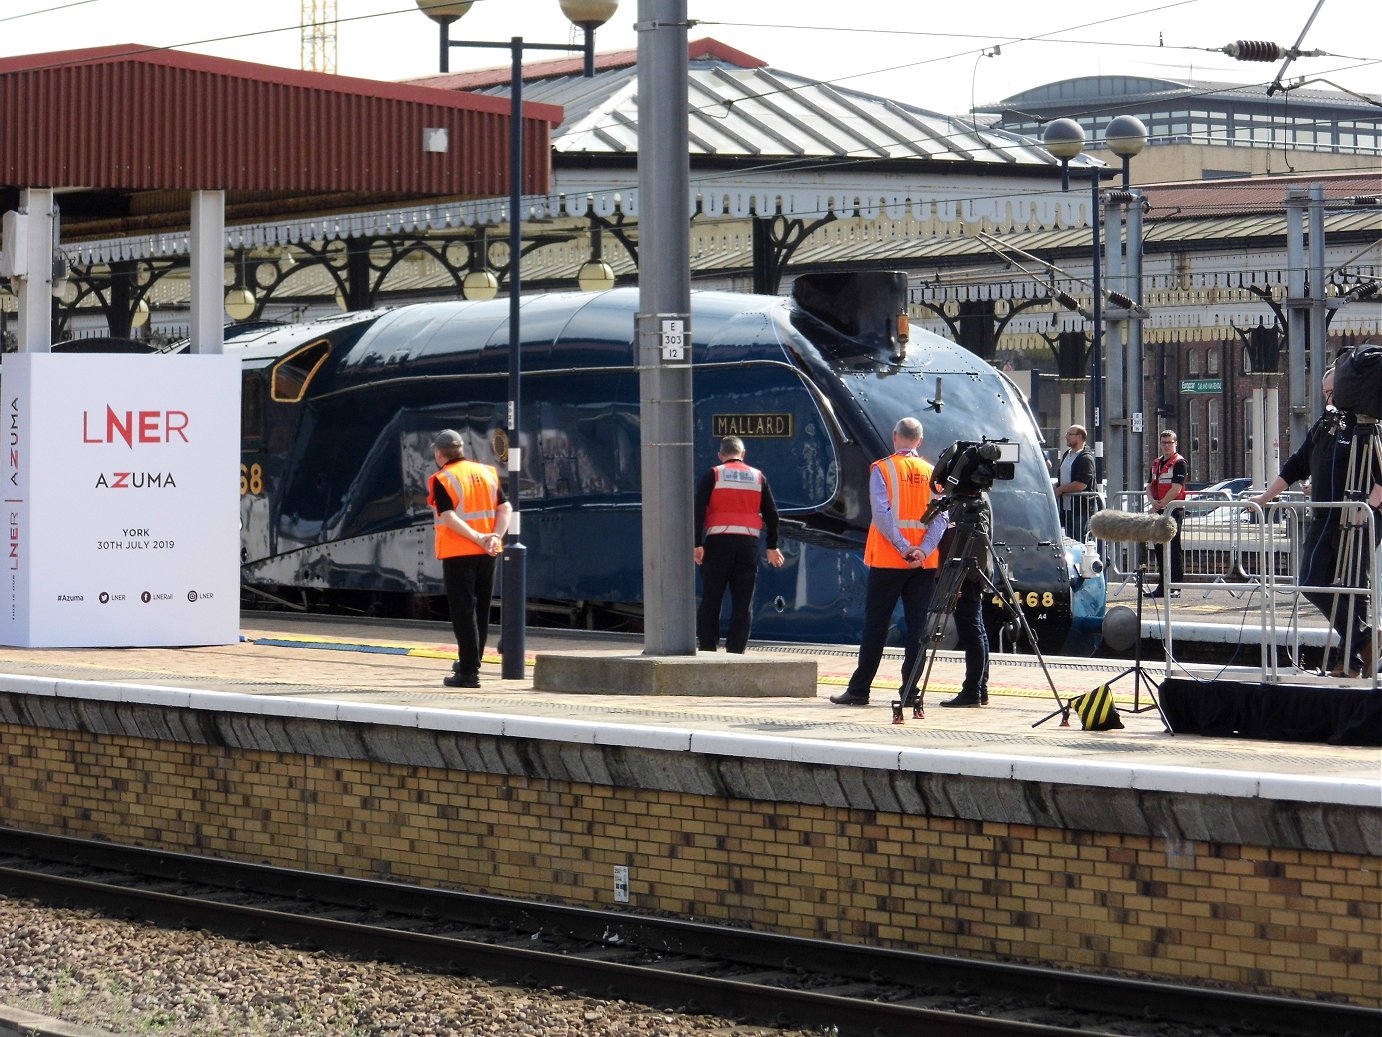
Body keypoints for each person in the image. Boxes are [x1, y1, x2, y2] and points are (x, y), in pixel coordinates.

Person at [1251, 368, 1382, 678]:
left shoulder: (1366, 428)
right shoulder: (1324, 426)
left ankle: (1350, 661)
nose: (1329, 399)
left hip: (1356, 517)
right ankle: (1364, 641)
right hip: (1325, 516)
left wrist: (1370, 506)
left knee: (1353, 587)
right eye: (1325, 394)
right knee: (1312, 582)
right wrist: (1265, 498)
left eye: (1332, 393)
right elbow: (1297, 464)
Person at [830, 417, 944, 707]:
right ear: (919, 440)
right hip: (922, 564)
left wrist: (905, 548)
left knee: (876, 625)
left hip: (888, 560)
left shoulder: (883, 469)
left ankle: (859, 690)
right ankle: (910, 693)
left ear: (895, 436)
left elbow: (882, 514)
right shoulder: (932, 473)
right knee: (918, 628)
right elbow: (943, 517)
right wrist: (922, 549)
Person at [428, 429, 512, 689]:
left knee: (464, 612)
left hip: (459, 552)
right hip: (488, 552)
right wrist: (494, 537)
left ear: (439, 454)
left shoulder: (442, 478)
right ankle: (472, 660)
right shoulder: (487, 472)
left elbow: (448, 517)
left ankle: (468, 673)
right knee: (481, 609)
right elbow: (505, 507)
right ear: (461, 449)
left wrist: (477, 537)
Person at [693, 436, 786, 653]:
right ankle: (736, 651)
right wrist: (772, 546)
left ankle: (708, 649)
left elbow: (698, 510)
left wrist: (697, 544)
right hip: (748, 545)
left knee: (711, 600)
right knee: (743, 603)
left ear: (720, 455)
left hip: (718, 543)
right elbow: (772, 515)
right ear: (743, 454)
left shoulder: (713, 474)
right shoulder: (757, 477)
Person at [1146, 429, 1187, 598]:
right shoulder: (1156, 462)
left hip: (1173, 510)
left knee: (1173, 548)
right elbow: (1149, 486)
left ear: (1175, 444)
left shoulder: (1179, 462)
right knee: (1159, 548)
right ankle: (1162, 586)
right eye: (1163, 443)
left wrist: (1161, 504)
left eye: (1169, 443)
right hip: (1159, 509)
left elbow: (1176, 488)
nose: (1166, 446)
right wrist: (1153, 503)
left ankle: (1175, 586)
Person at [1053, 424, 1097, 541]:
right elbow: (1064, 477)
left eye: (1070, 434)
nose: (1066, 437)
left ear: (1079, 437)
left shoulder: (1086, 458)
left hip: (1080, 509)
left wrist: (1061, 489)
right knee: (1070, 540)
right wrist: (1057, 485)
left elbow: (1081, 484)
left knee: (1081, 540)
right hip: (1067, 507)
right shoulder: (1067, 454)